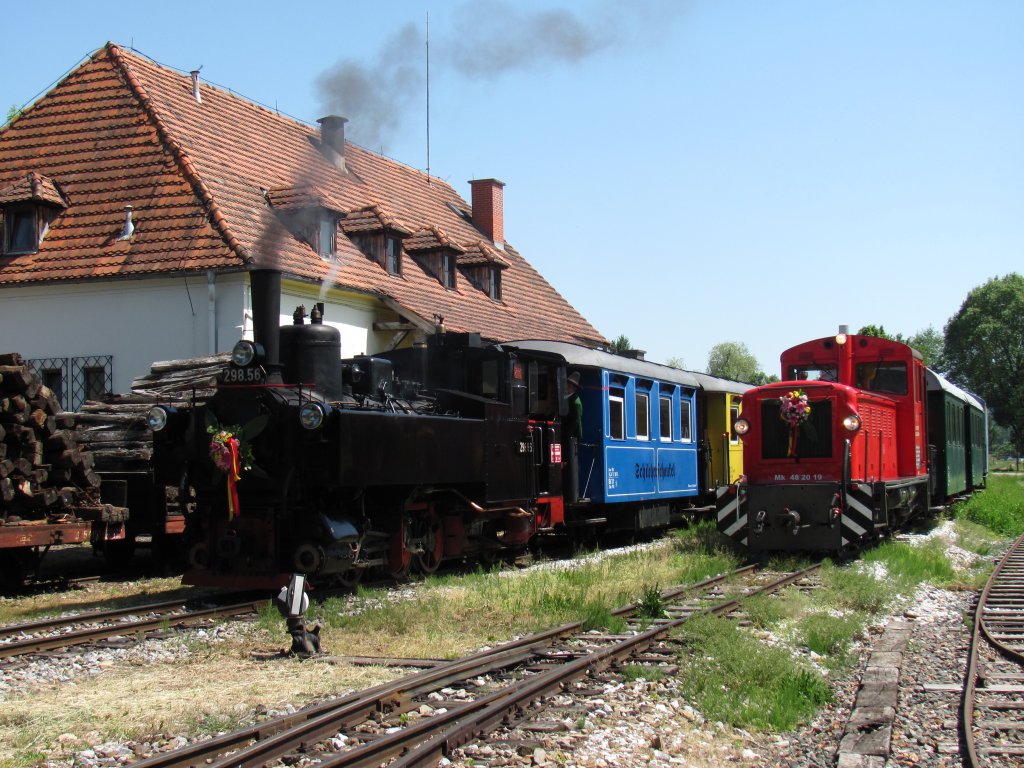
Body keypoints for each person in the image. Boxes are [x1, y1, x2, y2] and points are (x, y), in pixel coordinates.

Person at [563, 371, 583, 502]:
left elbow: (575, 422)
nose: (566, 386)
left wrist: (566, 434)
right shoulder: (566, 398)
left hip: (571, 436)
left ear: (573, 388)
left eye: (568, 385)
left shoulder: (575, 402)